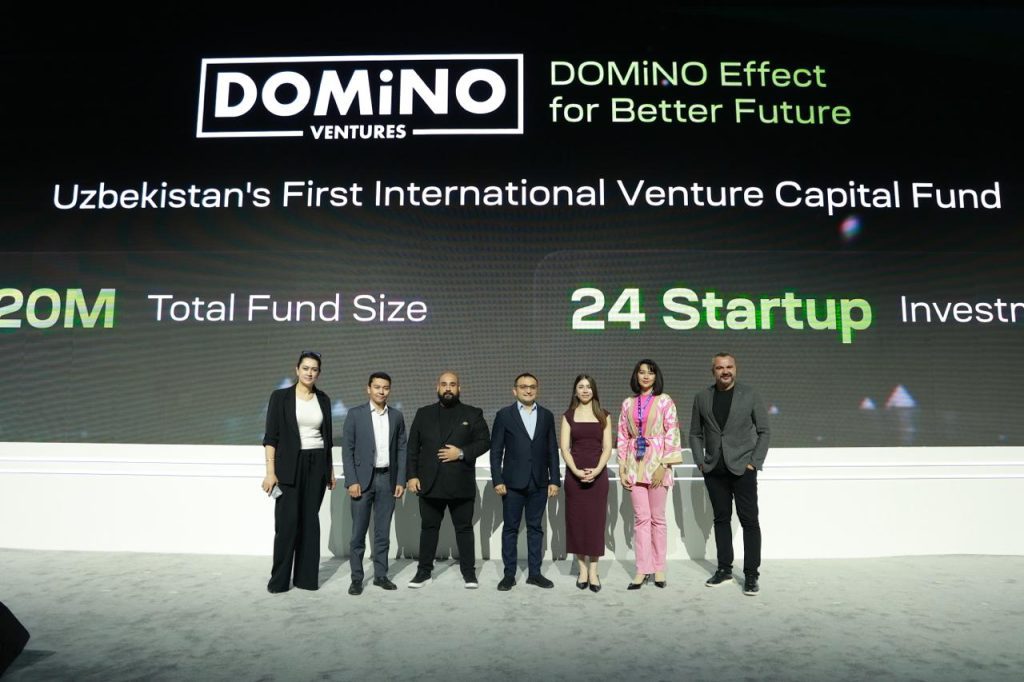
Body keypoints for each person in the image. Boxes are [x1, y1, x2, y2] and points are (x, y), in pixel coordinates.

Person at [689, 352, 770, 596]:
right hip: (714, 469)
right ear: (713, 371)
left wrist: (754, 463)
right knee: (721, 520)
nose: (725, 371)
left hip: (743, 468)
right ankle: (724, 569)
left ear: (736, 368)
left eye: (729, 367)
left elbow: (764, 431)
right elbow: (695, 433)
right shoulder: (702, 397)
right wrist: (700, 462)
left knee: (749, 521)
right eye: (720, 367)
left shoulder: (750, 394)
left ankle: (751, 575)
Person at [406, 371, 490, 588]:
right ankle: (423, 572)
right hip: (429, 483)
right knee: (428, 529)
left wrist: (461, 453)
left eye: (452, 384)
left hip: (460, 484)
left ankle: (469, 574)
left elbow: (484, 441)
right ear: (437, 388)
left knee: (464, 529)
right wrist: (412, 476)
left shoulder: (473, 413)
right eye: (444, 384)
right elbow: (412, 448)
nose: (448, 388)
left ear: (459, 388)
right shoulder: (423, 413)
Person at [261, 351, 336, 593]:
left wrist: (330, 469)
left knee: (309, 524)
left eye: (314, 369)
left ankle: (306, 579)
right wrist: (270, 472)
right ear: (297, 370)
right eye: (305, 368)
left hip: (317, 464)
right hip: (288, 466)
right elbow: (271, 437)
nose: (309, 373)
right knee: (287, 524)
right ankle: (279, 581)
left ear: (319, 373)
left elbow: (327, 438)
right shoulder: (280, 397)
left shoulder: (323, 399)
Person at [490, 373, 561, 591]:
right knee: (510, 529)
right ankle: (509, 575)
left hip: (539, 483)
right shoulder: (504, 415)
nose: (528, 390)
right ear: (515, 390)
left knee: (535, 529)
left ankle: (535, 574)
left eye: (532, 387)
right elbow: (496, 451)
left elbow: (552, 450)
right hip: (512, 484)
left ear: (537, 389)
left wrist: (554, 480)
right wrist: (497, 479)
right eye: (523, 387)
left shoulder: (547, 416)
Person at [617, 359, 683, 590]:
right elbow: (622, 436)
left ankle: (659, 568)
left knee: (658, 518)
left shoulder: (665, 400)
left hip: (658, 464)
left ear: (656, 376)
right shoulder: (627, 403)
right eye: (641, 372)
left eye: (650, 372)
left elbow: (672, 432)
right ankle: (641, 569)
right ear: (636, 376)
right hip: (634, 465)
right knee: (641, 519)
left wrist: (664, 466)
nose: (645, 376)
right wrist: (622, 468)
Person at [342, 371, 407, 595]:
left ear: (390, 390)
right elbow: (347, 450)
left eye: (386, 387)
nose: (381, 391)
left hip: (387, 479)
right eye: (377, 387)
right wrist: (351, 480)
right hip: (361, 481)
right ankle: (356, 579)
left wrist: (400, 480)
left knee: (382, 533)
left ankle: (381, 575)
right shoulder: (355, 414)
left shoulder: (396, 416)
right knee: (358, 534)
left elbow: (402, 449)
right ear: (368, 389)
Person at [560, 374, 612, 593]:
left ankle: (593, 571)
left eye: (588, 387)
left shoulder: (604, 415)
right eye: (581, 387)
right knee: (577, 523)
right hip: (575, 477)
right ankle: (582, 570)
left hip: (598, 477)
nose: (585, 390)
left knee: (595, 524)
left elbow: (607, 448)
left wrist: (597, 470)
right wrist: (576, 471)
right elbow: (565, 448)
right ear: (575, 391)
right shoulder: (568, 416)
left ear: (594, 390)